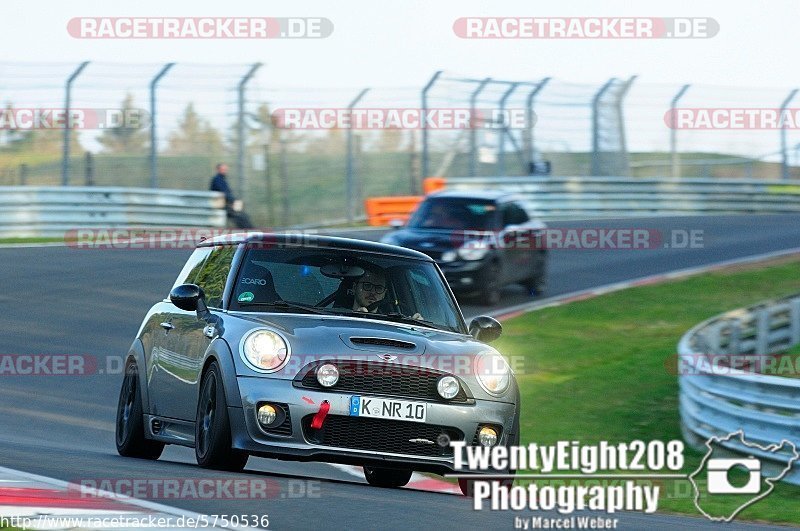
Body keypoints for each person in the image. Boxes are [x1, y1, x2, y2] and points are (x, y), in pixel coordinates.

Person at [209, 163, 253, 229]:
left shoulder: (221, 179)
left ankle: (249, 228)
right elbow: (224, 193)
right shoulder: (217, 179)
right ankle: (248, 229)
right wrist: (233, 201)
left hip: (225, 203)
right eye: (223, 169)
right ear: (218, 170)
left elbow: (227, 193)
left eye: (225, 169)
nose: (225, 171)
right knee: (239, 214)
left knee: (241, 213)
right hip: (220, 204)